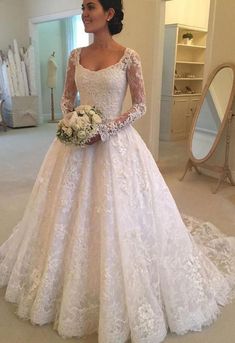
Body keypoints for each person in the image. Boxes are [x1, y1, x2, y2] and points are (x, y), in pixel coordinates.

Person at [1, 1, 235, 342]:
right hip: (75, 148)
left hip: (117, 147)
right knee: (65, 215)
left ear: (110, 14)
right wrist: (74, 119)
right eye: (82, 7)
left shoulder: (129, 57)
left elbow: (139, 105)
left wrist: (105, 129)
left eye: (91, 7)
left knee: (122, 215)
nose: (84, 13)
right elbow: (68, 98)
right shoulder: (74, 56)